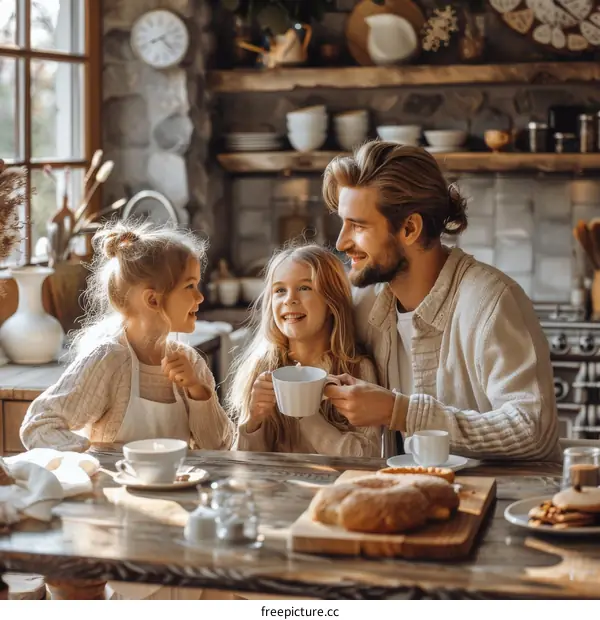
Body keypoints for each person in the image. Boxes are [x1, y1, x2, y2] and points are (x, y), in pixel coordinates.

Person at [321, 140, 561, 462]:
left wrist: (400, 412)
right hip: (408, 499)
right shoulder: (365, 304)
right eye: (342, 223)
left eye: (358, 226)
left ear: (410, 228)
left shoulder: (490, 302)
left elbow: (534, 431)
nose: (341, 241)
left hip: (498, 502)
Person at [21, 221, 233, 453]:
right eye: (190, 286)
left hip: (181, 488)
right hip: (115, 490)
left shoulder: (190, 362)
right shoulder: (108, 359)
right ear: (153, 300)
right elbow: (39, 424)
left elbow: (220, 446)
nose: (200, 297)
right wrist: (91, 459)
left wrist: (197, 390)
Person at [229, 243, 381, 456]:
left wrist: (304, 412)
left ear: (332, 302)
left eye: (304, 288)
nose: (290, 299)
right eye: (280, 290)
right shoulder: (262, 368)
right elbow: (245, 463)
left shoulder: (357, 370)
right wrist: (253, 420)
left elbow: (367, 457)